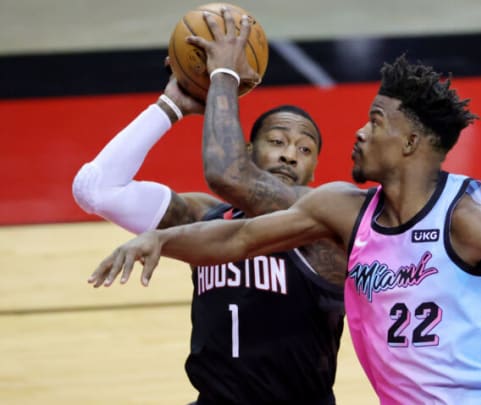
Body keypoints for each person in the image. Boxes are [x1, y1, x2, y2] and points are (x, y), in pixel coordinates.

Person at [89, 8, 481, 405]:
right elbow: (236, 239)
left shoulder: (468, 221)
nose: (357, 131)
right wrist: (160, 238)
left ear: (410, 143)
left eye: (374, 121)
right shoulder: (344, 211)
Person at [73, 13, 345, 404]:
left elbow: (229, 175)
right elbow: (96, 190)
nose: (289, 155)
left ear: (315, 169)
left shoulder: (324, 227)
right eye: (278, 140)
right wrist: (170, 106)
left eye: (305, 150)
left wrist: (224, 77)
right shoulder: (206, 217)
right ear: (246, 150)